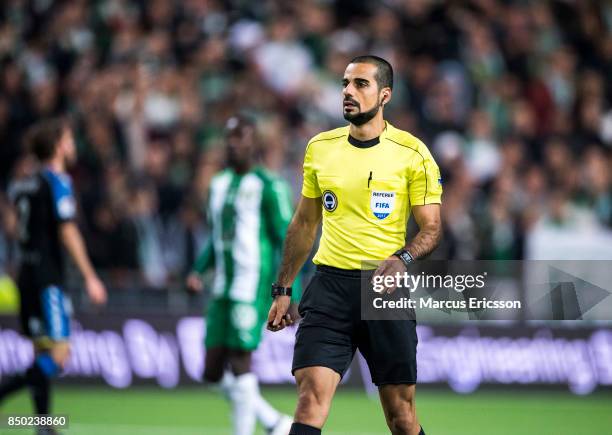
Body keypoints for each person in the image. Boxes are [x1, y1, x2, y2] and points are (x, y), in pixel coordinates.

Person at [267, 55, 443, 435]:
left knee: (401, 416)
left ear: (384, 95)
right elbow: (304, 224)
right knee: (310, 400)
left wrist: (403, 257)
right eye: (345, 83)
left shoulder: (413, 153)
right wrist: (283, 288)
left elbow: (431, 228)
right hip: (329, 287)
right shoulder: (320, 148)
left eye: (360, 84)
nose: (348, 91)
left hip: (382, 288)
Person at [186, 115, 299, 435]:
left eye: (241, 137)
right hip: (221, 288)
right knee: (210, 371)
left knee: (240, 362)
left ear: (255, 143)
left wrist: (290, 292)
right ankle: (274, 422)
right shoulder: (218, 184)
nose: (234, 143)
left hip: (251, 288)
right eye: (230, 136)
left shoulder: (269, 185)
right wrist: (199, 269)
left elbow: (288, 242)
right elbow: (217, 236)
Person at [0, 118, 107, 434]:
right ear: (59, 146)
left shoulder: (22, 182)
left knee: (41, 351)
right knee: (59, 355)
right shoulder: (58, 181)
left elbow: (12, 227)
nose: (73, 146)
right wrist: (90, 276)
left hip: (25, 274)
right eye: (70, 140)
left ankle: (42, 424)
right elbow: (68, 230)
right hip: (48, 278)